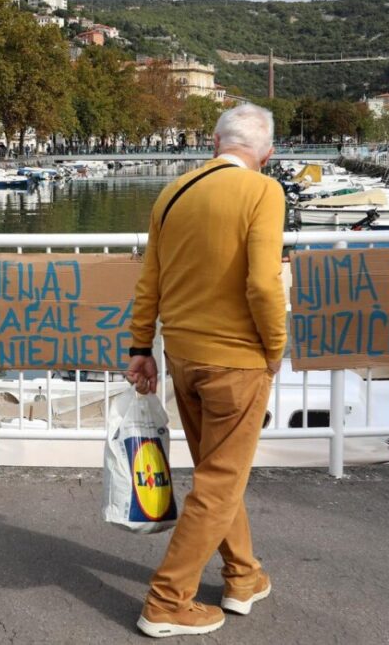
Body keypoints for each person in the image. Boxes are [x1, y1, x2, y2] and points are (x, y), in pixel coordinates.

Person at [125, 103, 286, 639]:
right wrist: (275, 348)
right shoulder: (264, 191)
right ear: (265, 153)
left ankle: (242, 577)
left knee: (219, 475)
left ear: (216, 143)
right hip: (238, 360)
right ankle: (167, 600)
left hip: (184, 358)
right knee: (220, 481)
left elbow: (150, 279)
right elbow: (264, 285)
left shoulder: (173, 193)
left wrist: (139, 346)